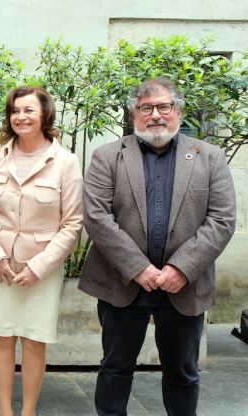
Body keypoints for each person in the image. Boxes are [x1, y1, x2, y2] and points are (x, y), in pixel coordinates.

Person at [80, 77, 237, 416]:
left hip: (184, 285)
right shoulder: (107, 156)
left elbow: (222, 220)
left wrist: (181, 269)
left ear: (178, 111)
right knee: (115, 369)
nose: (155, 115)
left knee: (182, 373)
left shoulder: (210, 157)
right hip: (123, 283)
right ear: (134, 114)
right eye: (146, 108)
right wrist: (138, 268)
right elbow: (95, 217)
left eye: (164, 106)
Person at [0, 86, 83, 416]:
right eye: (15, 111)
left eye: (29, 110)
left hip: (41, 269)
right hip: (0, 265)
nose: (21, 116)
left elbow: (73, 223)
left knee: (32, 340)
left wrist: (39, 266)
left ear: (45, 115)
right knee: (2, 338)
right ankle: (5, 410)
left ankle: (28, 411)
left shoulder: (65, 162)